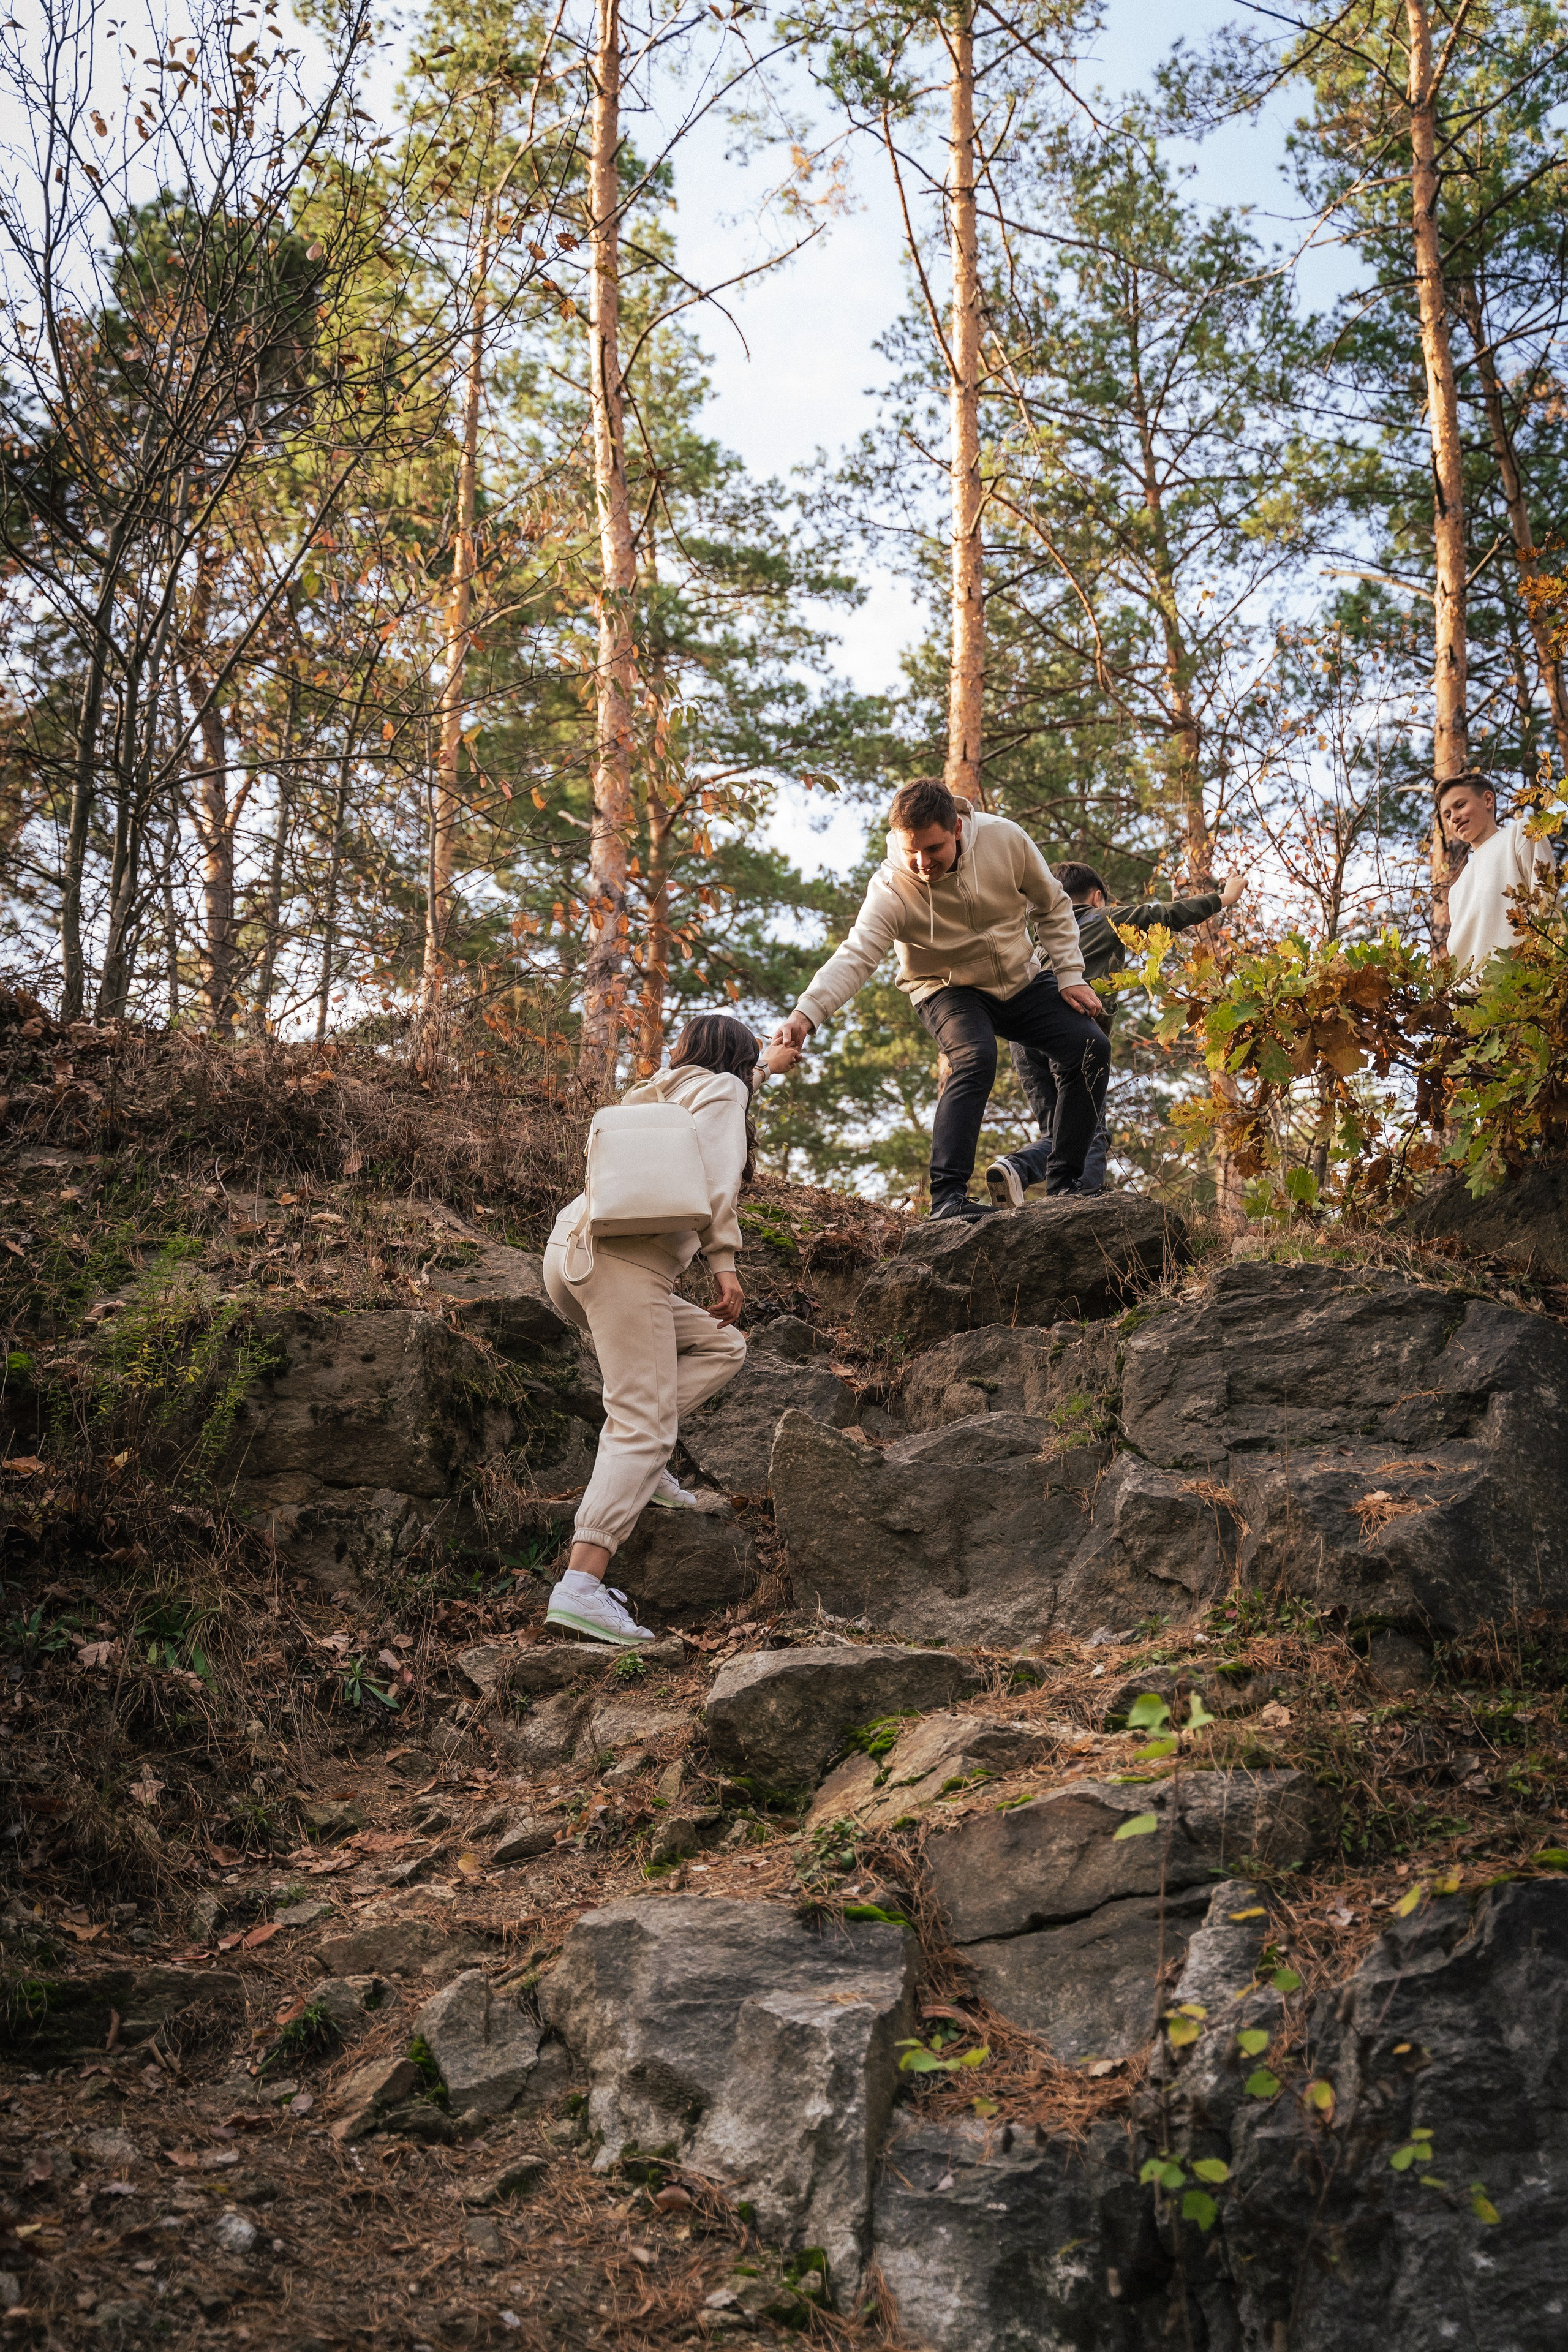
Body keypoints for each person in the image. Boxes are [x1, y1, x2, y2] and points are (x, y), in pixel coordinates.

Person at [541, 1014, 800, 1646]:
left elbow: (723, 1094)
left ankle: (645, 1463)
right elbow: (714, 1180)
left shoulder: (662, 1091)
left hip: (570, 1255)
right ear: (736, 1062)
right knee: (643, 1422)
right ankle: (580, 1587)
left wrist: (767, 1064)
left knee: (720, 1344)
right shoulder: (726, 1093)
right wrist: (724, 1262)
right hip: (627, 1267)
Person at [772, 778, 1109, 1217]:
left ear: (957, 829)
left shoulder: (1004, 839)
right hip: (944, 987)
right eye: (911, 849)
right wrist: (806, 1014)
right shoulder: (893, 886)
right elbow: (855, 956)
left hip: (1019, 979)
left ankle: (1067, 1187)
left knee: (1089, 1047)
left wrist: (1069, 974)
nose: (921, 862)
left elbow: (1053, 905)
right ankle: (948, 1197)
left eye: (932, 849)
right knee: (975, 1057)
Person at [989, 861, 1245, 1206]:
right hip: (1072, 1036)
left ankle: (1016, 1170)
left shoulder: (1039, 945)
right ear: (1097, 898)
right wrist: (1225, 898)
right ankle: (1082, 1209)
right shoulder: (1103, 918)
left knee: (1062, 1133)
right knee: (1089, 1130)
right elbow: (1164, 914)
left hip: (1023, 1043)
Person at [1438, 773, 1556, 973]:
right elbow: (1458, 956)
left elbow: (1547, 904)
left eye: (1460, 805)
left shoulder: (1521, 833)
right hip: (1471, 998)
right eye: (1447, 815)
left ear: (1488, 800)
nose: (1454, 817)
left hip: (1526, 982)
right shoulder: (1456, 890)